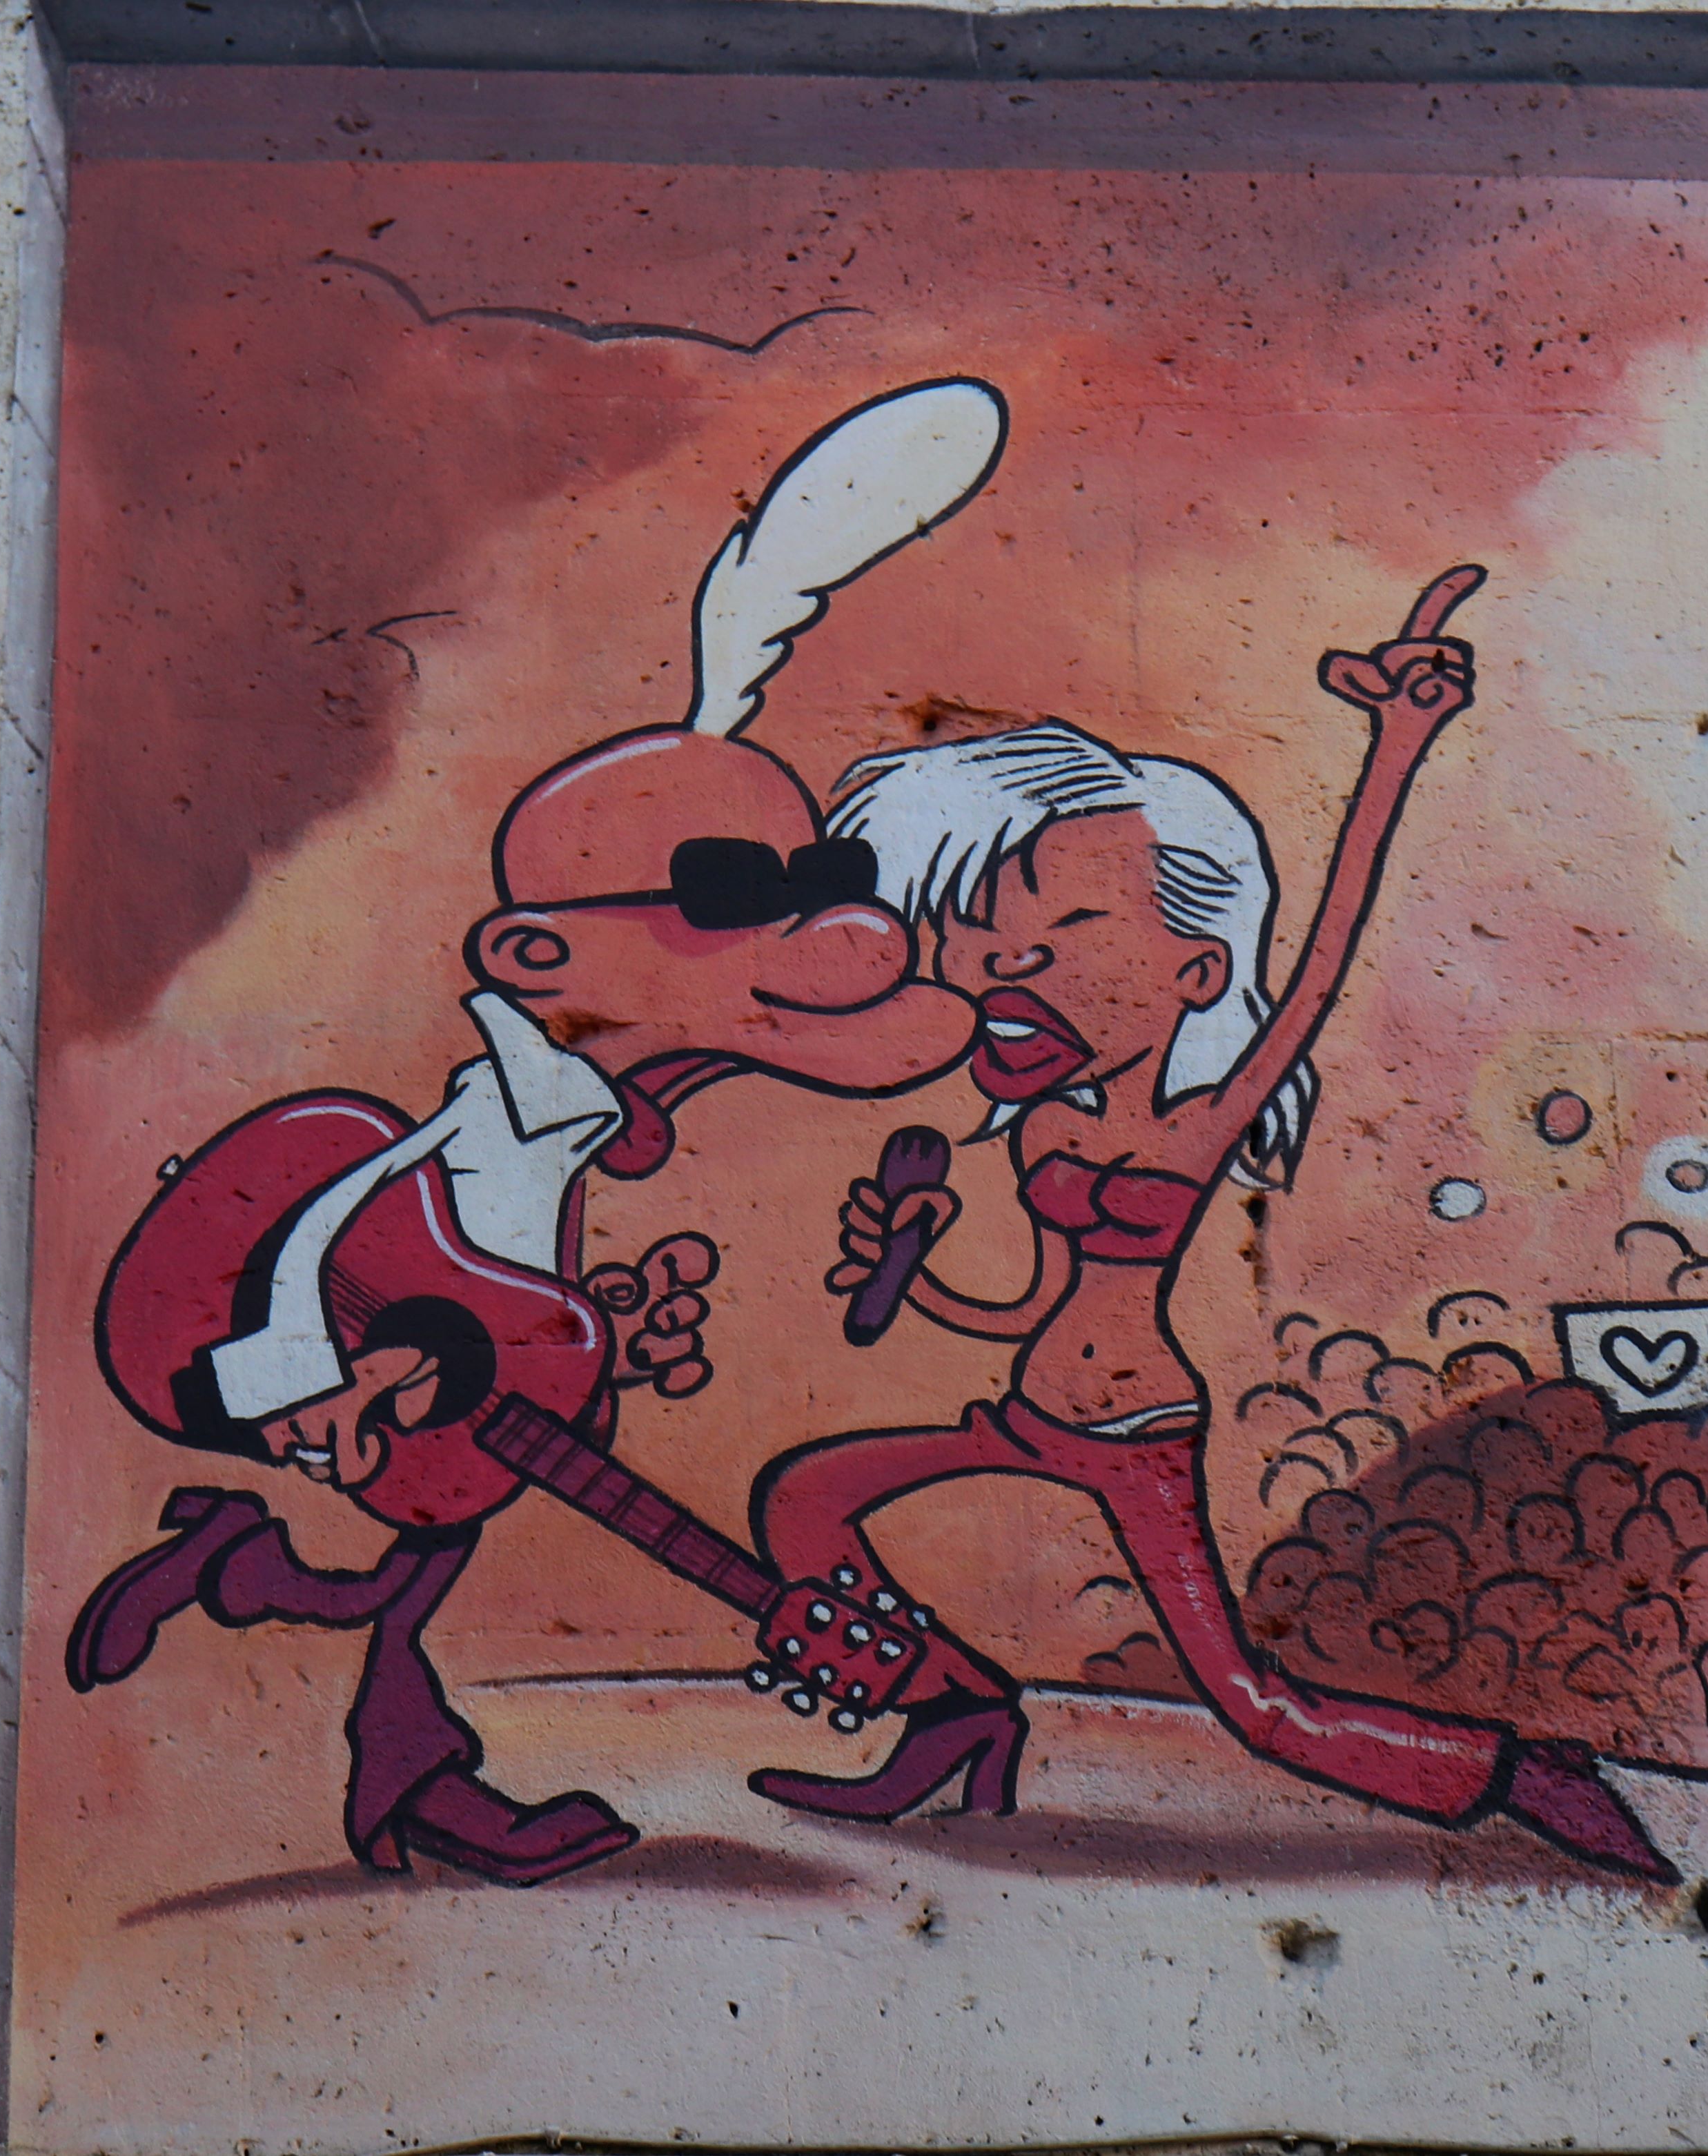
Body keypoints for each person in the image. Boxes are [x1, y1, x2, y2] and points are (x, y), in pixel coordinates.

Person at [61, 382, 1005, 1886]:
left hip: (422, 1341)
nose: (831, 930)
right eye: (733, 895)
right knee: (423, 1529)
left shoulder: (581, 1104)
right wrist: (320, 1381)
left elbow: (840, 1039)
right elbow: (342, 1231)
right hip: (281, 1338)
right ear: (538, 958)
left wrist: (564, 1331)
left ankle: (298, 1643)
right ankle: (357, 1707)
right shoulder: (511, 1118)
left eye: (816, 883)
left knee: (422, 1538)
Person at [744, 568, 1680, 1884]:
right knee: (803, 1499)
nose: (1000, 968)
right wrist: (911, 1265)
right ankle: (954, 1708)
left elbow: (1322, 960)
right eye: (975, 942)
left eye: (1060, 936)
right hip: (1035, 1413)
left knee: (1252, 1704)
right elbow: (1030, 1307)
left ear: (1193, 969)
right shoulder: (1049, 1128)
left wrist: (1396, 741)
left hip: (1137, 1435)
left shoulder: (1193, 1124)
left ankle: (1516, 1775)